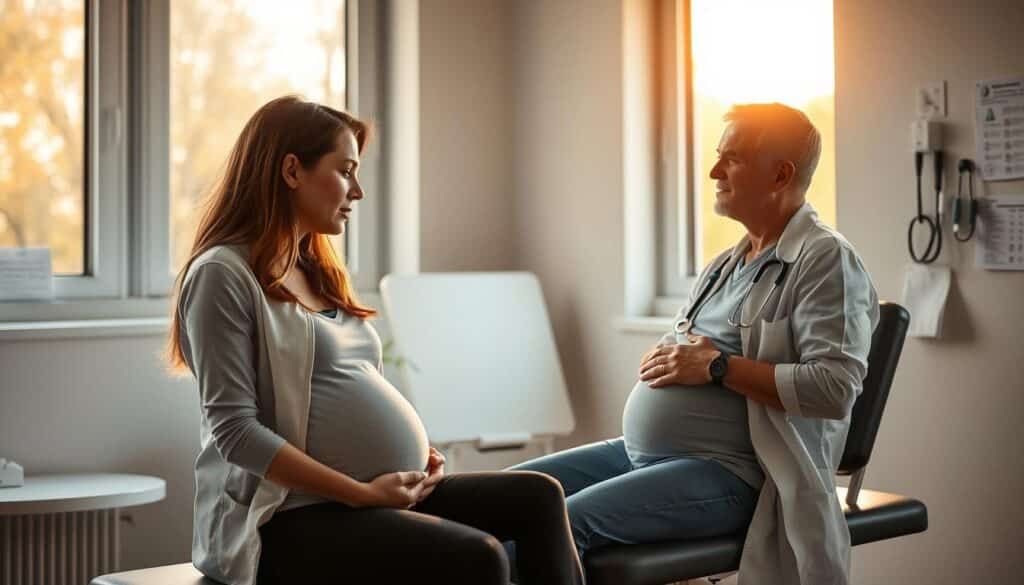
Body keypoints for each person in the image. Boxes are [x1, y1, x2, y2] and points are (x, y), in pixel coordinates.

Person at [167, 96, 584, 585]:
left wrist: (417, 452)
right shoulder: (222, 274)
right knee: (480, 557)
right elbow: (235, 432)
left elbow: (350, 383)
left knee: (538, 495)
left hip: (367, 498)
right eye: (345, 170)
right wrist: (359, 493)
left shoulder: (314, 269)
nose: (357, 191)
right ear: (291, 170)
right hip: (286, 519)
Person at [507, 103, 878, 585]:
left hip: (736, 475)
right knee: (506, 497)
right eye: (718, 156)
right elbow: (689, 352)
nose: (713, 171)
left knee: (557, 526)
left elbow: (833, 388)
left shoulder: (826, 258)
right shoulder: (728, 261)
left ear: (780, 173)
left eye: (733, 159)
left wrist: (718, 367)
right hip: (642, 456)